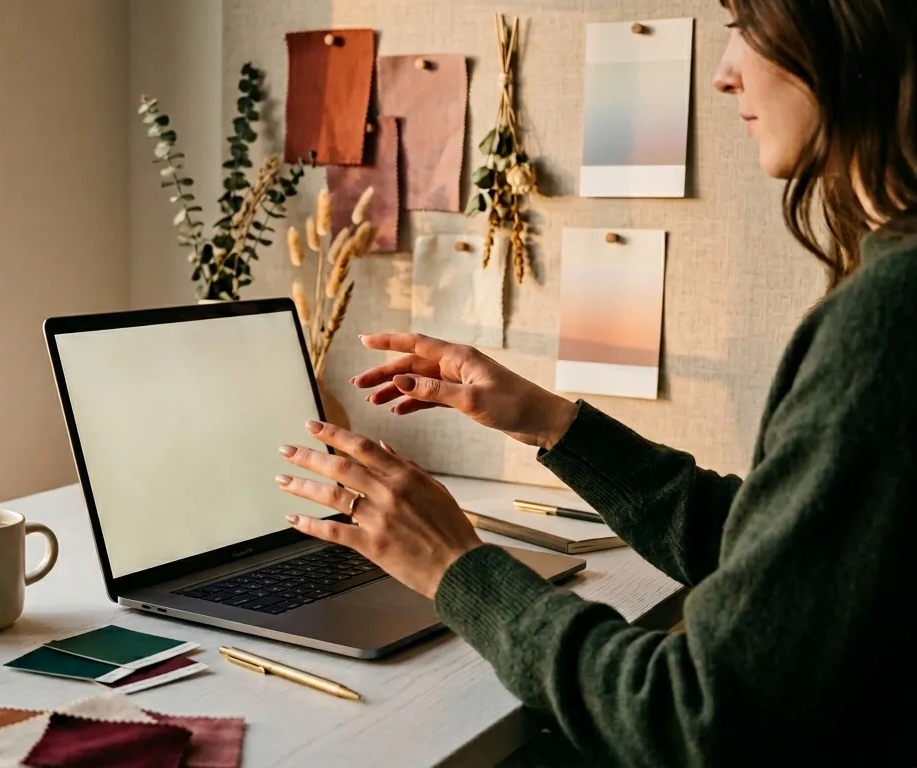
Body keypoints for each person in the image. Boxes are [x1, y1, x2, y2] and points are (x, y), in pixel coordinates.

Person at [273, 0, 916, 764]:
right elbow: (785, 559)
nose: (724, 73)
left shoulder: (888, 316)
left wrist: (455, 565)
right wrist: (553, 424)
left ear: (851, 26)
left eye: (745, 26)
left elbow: (696, 719)